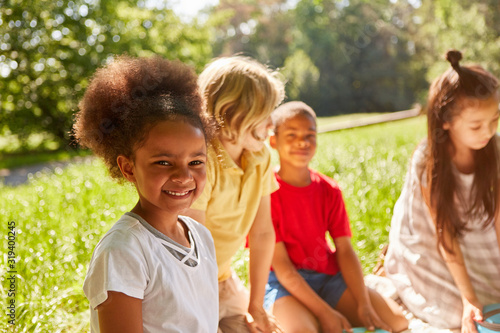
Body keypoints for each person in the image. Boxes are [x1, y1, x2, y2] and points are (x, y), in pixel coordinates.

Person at [74, 56, 219, 333]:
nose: (184, 176)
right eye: (163, 162)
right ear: (128, 168)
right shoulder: (123, 250)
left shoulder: (201, 236)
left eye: (196, 162)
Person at [264, 101, 409, 333]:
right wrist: (325, 312)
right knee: (303, 331)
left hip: (327, 276)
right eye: (291, 135)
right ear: (274, 141)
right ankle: (317, 314)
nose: (302, 141)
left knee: (396, 321)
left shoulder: (329, 189)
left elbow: (345, 249)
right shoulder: (266, 193)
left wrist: (363, 304)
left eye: (309, 135)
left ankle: (330, 311)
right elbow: (282, 268)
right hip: (284, 283)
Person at [384, 50, 500, 332]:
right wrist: (468, 298)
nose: (488, 131)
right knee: (457, 316)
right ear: (446, 120)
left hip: (476, 233)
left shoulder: (494, 150)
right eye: (476, 125)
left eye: (495, 120)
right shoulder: (427, 159)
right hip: (429, 241)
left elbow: (498, 218)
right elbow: (442, 230)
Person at [184, 55, 285, 333]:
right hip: (186, 285)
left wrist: (256, 305)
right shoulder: (201, 161)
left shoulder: (260, 157)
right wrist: (204, 315)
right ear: (228, 113)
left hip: (222, 279)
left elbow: (263, 232)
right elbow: (193, 250)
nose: (271, 124)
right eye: (263, 114)